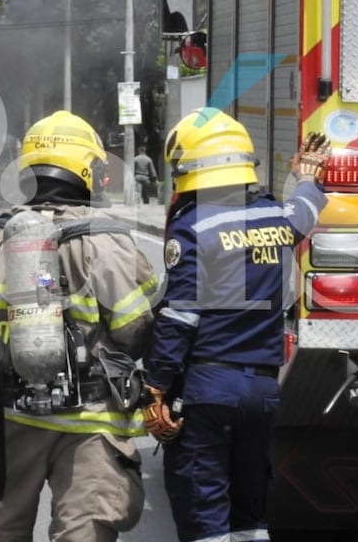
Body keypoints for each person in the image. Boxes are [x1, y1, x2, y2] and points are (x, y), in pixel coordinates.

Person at [0, 110, 160, 542]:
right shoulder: (105, 238)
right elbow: (134, 327)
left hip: (12, 417)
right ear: (86, 169)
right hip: (91, 422)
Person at [141, 108, 330, 542]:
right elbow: (305, 209)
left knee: (203, 509)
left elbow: (180, 315)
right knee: (249, 515)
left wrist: (155, 386)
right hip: (262, 390)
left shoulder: (194, 227)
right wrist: (307, 176)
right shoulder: (275, 218)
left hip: (209, 387)